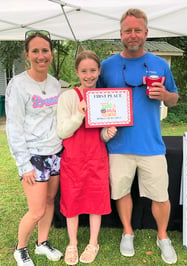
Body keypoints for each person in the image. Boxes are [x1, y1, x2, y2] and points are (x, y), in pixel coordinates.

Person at [97, 8, 179, 265]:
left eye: (137, 30)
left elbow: (175, 98)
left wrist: (166, 96)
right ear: (121, 34)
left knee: (161, 197)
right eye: (127, 31)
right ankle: (127, 231)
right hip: (118, 146)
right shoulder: (107, 66)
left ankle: (163, 236)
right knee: (121, 192)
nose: (132, 35)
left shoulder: (159, 64)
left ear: (146, 32)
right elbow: (97, 102)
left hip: (151, 145)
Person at [5, 30, 63, 266]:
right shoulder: (18, 85)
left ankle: (42, 243)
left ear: (51, 53)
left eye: (45, 50)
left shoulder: (55, 84)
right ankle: (20, 249)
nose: (41, 55)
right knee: (37, 209)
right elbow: (14, 127)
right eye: (36, 51)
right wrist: (23, 163)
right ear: (27, 55)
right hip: (33, 157)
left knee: (50, 202)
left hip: (55, 152)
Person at [56, 50, 117, 265]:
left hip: (96, 157)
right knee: (72, 201)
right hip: (73, 158)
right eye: (84, 71)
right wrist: (79, 114)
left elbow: (99, 133)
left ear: (99, 71)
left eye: (93, 70)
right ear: (77, 72)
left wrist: (107, 134)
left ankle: (93, 242)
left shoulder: (103, 98)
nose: (89, 75)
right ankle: (72, 243)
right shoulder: (68, 97)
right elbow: (63, 131)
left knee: (95, 202)